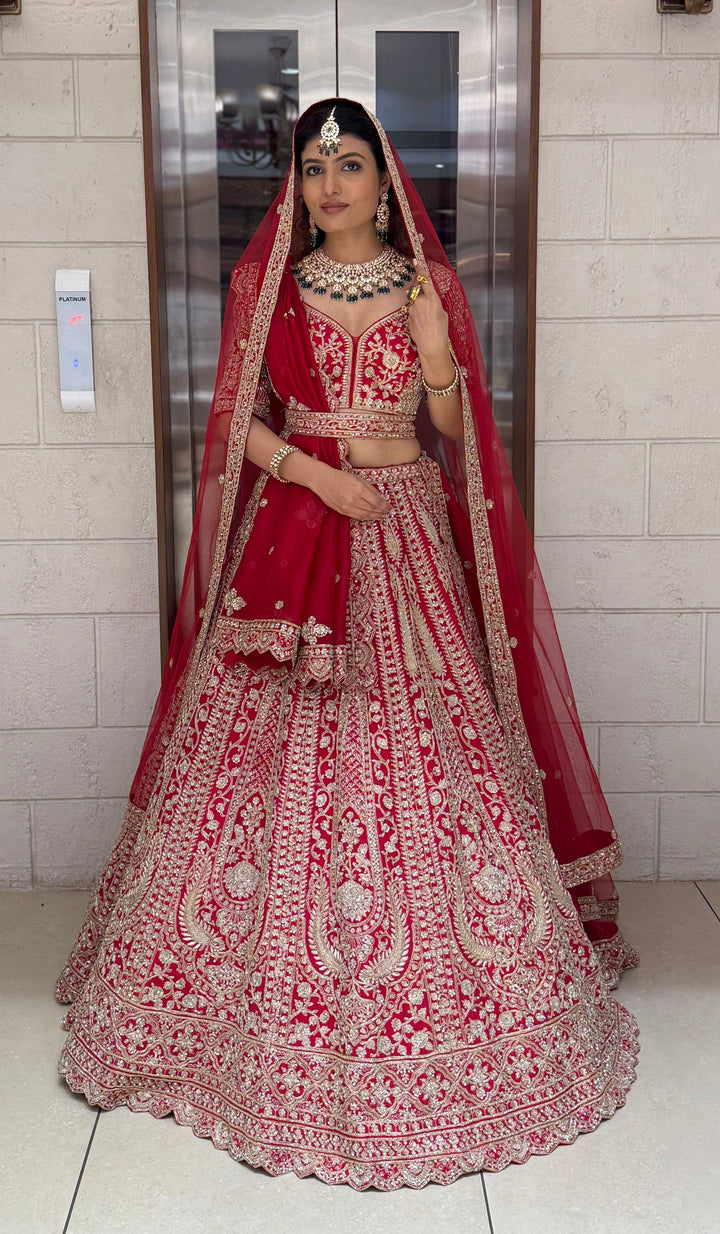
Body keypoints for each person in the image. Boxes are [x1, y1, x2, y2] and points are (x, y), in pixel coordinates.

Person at [55, 98, 640, 1191]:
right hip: (301, 526)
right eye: (313, 165)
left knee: (430, 745)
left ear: (386, 180)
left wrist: (436, 361)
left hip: (407, 530)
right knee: (262, 765)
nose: (331, 184)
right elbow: (237, 419)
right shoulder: (269, 287)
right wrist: (315, 471)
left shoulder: (427, 287)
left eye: (352, 164)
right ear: (297, 183)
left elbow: (458, 439)